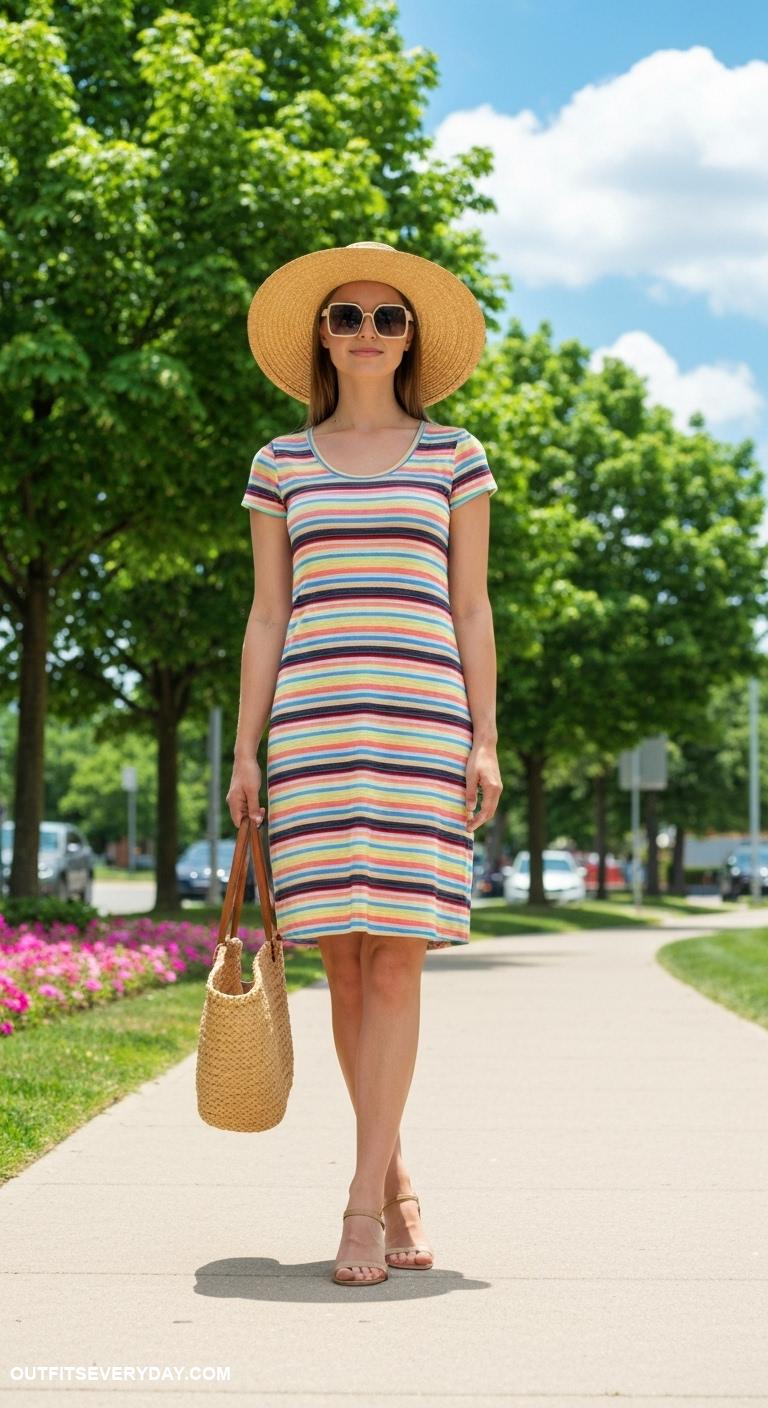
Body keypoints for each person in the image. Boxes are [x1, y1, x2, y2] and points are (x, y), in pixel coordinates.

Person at [227, 241, 502, 1287]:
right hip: (312, 731)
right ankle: (396, 1181)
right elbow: (267, 613)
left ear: (413, 340)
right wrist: (246, 749)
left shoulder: (456, 456)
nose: (369, 334)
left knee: (396, 956)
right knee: (340, 960)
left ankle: (357, 1202)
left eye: (390, 319)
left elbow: (472, 605)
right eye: (348, 317)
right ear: (321, 338)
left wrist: (484, 737)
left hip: (423, 728)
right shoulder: (278, 464)